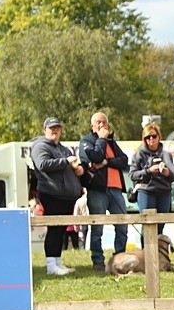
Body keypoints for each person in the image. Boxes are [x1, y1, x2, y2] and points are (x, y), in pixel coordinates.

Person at [30, 117, 87, 276]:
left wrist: (77, 169)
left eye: (57, 128)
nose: (55, 130)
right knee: (54, 229)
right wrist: (65, 161)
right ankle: (51, 265)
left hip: (66, 196)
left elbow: (68, 166)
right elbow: (42, 164)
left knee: (61, 230)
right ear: (44, 130)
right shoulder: (40, 146)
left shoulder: (63, 148)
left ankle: (57, 263)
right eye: (51, 128)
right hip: (52, 194)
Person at [79, 111, 130, 271]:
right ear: (92, 126)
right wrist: (101, 139)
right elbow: (94, 157)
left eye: (104, 122)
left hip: (116, 190)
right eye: (98, 122)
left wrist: (106, 162)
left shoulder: (112, 142)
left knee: (122, 226)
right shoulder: (86, 141)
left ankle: (119, 258)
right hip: (97, 190)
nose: (102, 125)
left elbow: (124, 161)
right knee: (97, 228)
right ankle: (98, 261)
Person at [128, 122, 174, 234]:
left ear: (159, 137)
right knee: (147, 225)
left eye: (154, 136)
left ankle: (158, 246)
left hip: (164, 192)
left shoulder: (167, 155)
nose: (151, 139)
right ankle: (145, 246)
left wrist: (167, 173)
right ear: (144, 139)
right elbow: (132, 175)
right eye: (148, 137)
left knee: (160, 227)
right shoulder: (138, 155)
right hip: (146, 192)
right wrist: (148, 171)